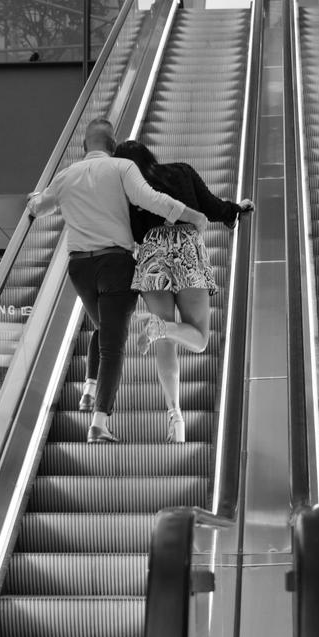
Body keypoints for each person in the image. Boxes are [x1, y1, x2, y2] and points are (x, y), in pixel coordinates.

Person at [26, 117, 210, 444]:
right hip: (115, 263)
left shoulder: (65, 176)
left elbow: (38, 208)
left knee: (104, 329)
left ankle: (89, 389)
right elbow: (153, 199)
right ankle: (98, 423)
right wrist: (191, 214)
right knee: (112, 343)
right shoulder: (122, 167)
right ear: (112, 146)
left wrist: (35, 198)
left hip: (79, 267)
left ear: (84, 146)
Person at [115, 139, 254, 444]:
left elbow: (125, 231)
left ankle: (175, 415)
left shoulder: (126, 187)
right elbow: (213, 207)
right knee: (199, 339)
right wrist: (236, 209)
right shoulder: (181, 171)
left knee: (166, 345)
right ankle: (162, 328)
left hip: (151, 252)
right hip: (187, 248)